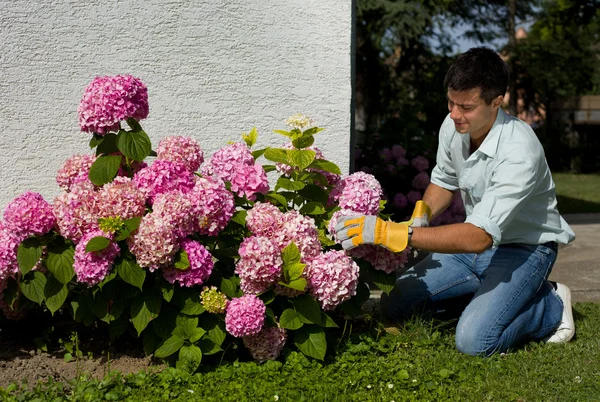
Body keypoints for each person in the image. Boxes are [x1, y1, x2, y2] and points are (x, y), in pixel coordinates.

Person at [335, 47, 576, 357]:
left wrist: (392, 233)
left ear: (496, 102)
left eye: (466, 106)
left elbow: (478, 237)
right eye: (450, 102)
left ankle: (549, 305)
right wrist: (422, 214)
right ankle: (490, 300)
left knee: (474, 342)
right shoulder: (454, 126)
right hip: (475, 249)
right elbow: (444, 180)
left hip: (524, 250)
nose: (454, 114)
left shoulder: (519, 151)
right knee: (395, 305)